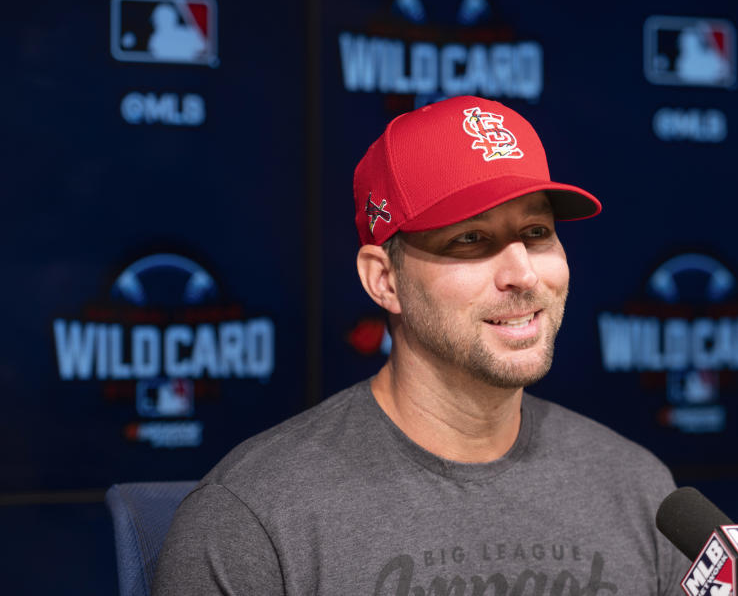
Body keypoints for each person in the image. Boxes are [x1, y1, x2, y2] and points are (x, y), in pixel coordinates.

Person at [153, 95, 688, 595]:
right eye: (471, 240)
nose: (523, 274)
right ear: (384, 281)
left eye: (536, 233)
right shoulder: (253, 517)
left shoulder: (641, 489)